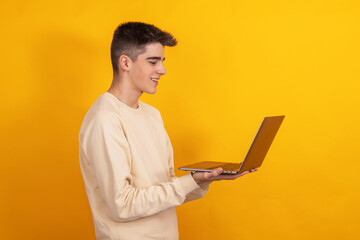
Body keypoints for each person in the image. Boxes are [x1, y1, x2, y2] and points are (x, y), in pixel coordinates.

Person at [79, 21, 257, 240]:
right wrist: (190, 181)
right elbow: (122, 205)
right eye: (153, 61)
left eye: (162, 61)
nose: (162, 70)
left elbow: (167, 191)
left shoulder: (152, 115)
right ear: (125, 62)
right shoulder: (105, 120)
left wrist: (203, 178)